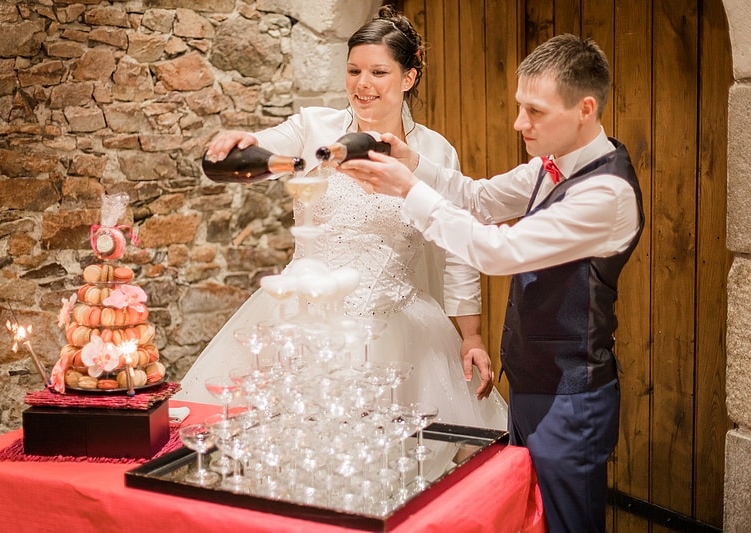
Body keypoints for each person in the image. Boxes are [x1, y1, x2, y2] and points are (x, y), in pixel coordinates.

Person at [339, 34, 644, 533]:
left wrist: (408, 190)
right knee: (528, 519)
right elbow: (476, 198)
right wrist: (414, 163)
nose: (520, 123)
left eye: (535, 112)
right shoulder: (550, 167)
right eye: (520, 106)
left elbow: (496, 251)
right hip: (530, 381)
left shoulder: (605, 194)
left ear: (585, 108)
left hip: (571, 395)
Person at [175, 6, 508, 430]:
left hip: (393, 328)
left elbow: (457, 247)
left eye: (378, 73)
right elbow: (267, 146)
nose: (362, 84)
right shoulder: (315, 127)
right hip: (300, 321)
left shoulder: (436, 153)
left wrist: (472, 335)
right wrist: (247, 140)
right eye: (353, 71)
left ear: (409, 78)